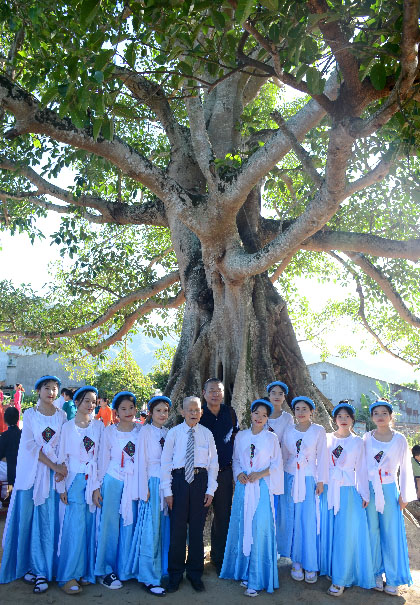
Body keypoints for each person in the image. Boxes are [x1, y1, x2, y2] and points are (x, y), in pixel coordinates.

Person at [0, 375, 67, 593]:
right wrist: (55, 466)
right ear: (38, 391)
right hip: (31, 476)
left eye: (55, 389)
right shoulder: (29, 415)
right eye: (47, 388)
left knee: (48, 523)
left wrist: (61, 468)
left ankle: (44, 569)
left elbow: (63, 446)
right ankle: (28, 566)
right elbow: (30, 446)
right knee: (28, 522)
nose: (51, 392)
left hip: (52, 478)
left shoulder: (62, 416)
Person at [220, 399, 283, 597]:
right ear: (251, 414)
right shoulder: (241, 436)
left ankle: (257, 577)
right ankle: (244, 570)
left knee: (259, 527)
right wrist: (239, 473)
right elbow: (236, 460)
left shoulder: (271, 438)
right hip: (244, 486)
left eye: (264, 415)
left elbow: (276, 464)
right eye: (256, 413)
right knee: (243, 525)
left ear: (267, 419)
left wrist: (261, 474)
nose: (259, 418)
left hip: (261, 487)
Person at [161, 396, 218, 593]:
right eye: (190, 410)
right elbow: (166, 463)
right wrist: (167, 491)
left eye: (197, 410)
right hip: (178, 482)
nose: (194, 413)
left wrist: (210, 490)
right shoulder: (174, 434)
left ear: (202, 412)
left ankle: (195, 574)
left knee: (196, 531)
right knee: (177, 532)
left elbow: (213, 464)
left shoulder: (207, 434)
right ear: (182, 412)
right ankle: (175, 575)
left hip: (200, 482)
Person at [318, 401, 375, 597]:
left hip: (349, 491)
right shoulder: (326, 438)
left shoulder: (358, 441)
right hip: (329, 490)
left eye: (347, 417)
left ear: (352, 420)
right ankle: (332, 569)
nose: (343, 420)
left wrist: (365, 493)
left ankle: (341, 578)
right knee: (330, 532)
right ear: (334, 419)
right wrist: (320, 483)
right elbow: (321, 464)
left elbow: (362, 469)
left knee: (345, 535)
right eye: (340, 417)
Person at [364, 400, 417, 597]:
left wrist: (405, 495)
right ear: (372, 417)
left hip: (388, 489)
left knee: (391, 533)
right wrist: (363, 491)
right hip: (370, 489)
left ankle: (393, 578)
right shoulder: (367, 438)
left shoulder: (400, 439)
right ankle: (376, 574)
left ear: (390, 416)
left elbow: (405, 467)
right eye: (375, 412)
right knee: (372, 531)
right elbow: (360, 466)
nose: (380, 416)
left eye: (384, 412)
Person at [56, 386, 103, 595]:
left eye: (94, 401)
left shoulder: (99, 427)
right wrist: (61, 487)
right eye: (87, 401)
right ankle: (68, 575)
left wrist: (96, 487)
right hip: (74, 480)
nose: (91, 405)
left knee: (89, 527)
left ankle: (84, 571)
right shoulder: (67, 427)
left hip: (91, 480)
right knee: (74, 528)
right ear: (77, 403)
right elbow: (61, 458)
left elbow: (101, 458)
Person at [94, 391, 141, 589]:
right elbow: (102, 460)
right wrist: (97, 487)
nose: (128, 412)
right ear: (116, 412)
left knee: (130, 522)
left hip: (133, 483)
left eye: (131, 408)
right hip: (112, 480)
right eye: (123, 408)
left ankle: (125, 568)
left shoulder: (141, 431)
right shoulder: (109, 432)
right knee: (109, 525)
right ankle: (105, 570)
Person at [127, 395, 172, 596]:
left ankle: (163, 571)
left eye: (165, 411)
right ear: (151, 413)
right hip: (152, 484)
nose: (162, 414)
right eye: (158, 411)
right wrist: (143, 487)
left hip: (167, 484)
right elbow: (141, 461)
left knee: (164, 529)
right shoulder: (145, 432)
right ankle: (148, 576)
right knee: (150, 529)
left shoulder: (169, 432)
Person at [281, 396, 328, 584]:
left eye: (304, 409)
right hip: (290, 478)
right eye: (297, 409)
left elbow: (323, 456)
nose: (300, 412)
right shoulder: (289, 430)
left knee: (308, 520)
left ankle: (310, 562)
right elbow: (284, 455)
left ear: (312, 412)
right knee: (293, 519)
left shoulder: (318, 430)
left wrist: (321, 481)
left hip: (309, 478)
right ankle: (296, 561)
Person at [199, 378, 239, 574]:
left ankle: (219, 557)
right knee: (199, 515)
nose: (215, 393)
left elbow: (235, 438)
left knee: (223, 516)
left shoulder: (229, 413)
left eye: (219, 390)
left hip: (224, 473)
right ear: (204, 393)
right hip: (202, 475)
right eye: (211, 390)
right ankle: (195, 560)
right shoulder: (198, 413)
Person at [265, 380, 293, 557]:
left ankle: (278, 547)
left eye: (280, 394)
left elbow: (289, 443)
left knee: (279, 507)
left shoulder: (288, 418)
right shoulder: (262, 414)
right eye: (273, 393)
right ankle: (264, 545)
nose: (277, 396)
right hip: (260, 468)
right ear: (269, 395)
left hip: (280, 467)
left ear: (284, 397)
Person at [0, 407, 22, 499]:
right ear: (18, 418)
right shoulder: (23, 435)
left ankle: (5, 495)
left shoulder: (4, 436)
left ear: (5, 420)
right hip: (22, 469)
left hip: (7, 470)